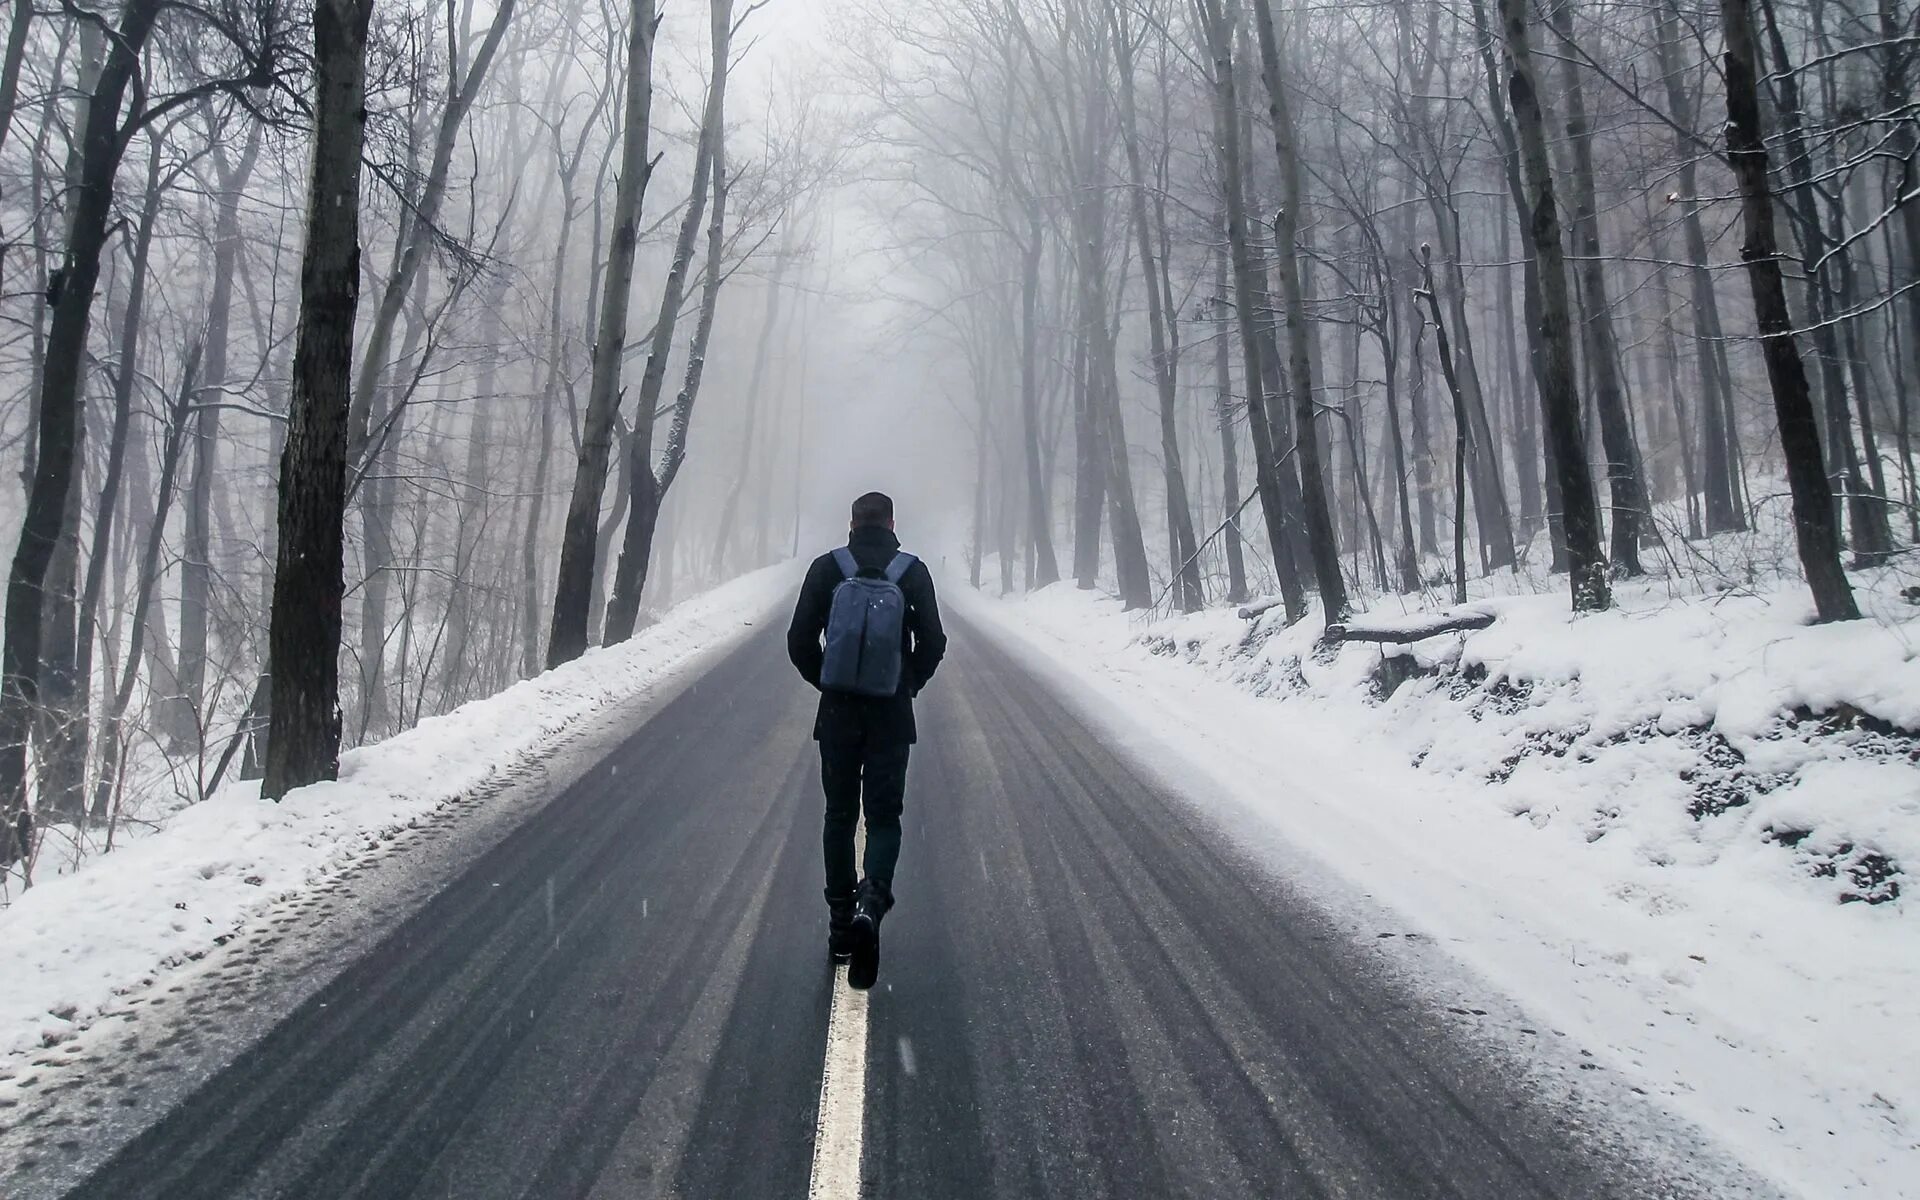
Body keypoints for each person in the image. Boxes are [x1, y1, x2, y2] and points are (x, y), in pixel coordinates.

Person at [787, 491, 946, 989]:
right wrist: (906, 684)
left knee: (839, 816)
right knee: (883, 817)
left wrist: (829, 683)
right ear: (892, 522)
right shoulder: (911, 571)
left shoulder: (826, 568)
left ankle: (839, 928)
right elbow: (934, 643)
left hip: (837, 716)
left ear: (851, 524)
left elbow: (798, 640)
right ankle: (871, 908)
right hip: (890, 718)